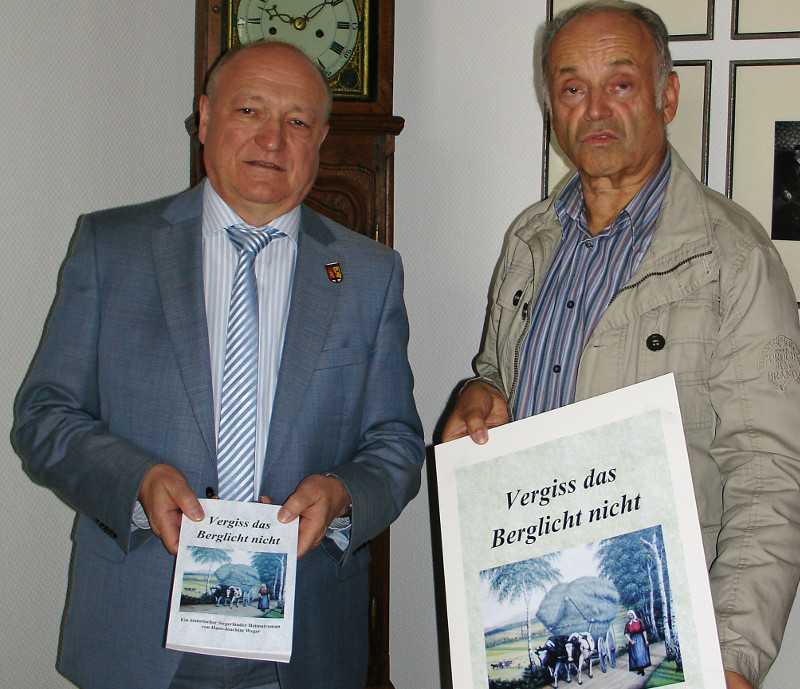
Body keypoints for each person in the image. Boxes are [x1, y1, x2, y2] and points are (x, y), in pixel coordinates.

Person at [12, 41, 424, 689]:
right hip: (138, 637)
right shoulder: (110, 248)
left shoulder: (369, 273)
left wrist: (343, 494)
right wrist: (137, 482)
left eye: (297, 121)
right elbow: (43, 416)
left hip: (303, 643)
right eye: (249, 109)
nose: (272, 138)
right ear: (205, 119)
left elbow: (396, 445)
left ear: (320, 139)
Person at [441, 3, 800, 688]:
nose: (595, 107)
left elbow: (772, 478)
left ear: (667, 95)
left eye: (622, 83)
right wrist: (481, 393)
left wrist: (730, 661)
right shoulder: (529, 239)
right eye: (573, 87)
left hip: (679, 637)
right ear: (551, 106)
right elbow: (496, 375)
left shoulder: (733, 259)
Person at [624, 611, 650, 676]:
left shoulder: (639, 621)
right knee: (635, 655)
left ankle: (642, 669)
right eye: (629, 616)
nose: (630, 616)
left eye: (631, 615)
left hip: (640, 638)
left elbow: (643, 630)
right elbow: (625, 633)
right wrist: (630, 640)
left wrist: (646, 640)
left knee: (640, 654)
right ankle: (639, 668)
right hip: (633, 639)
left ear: (633, 615)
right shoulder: (628, 624)